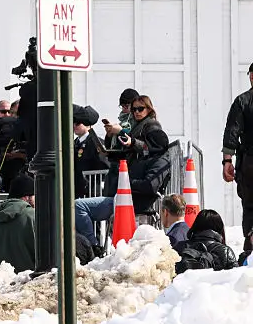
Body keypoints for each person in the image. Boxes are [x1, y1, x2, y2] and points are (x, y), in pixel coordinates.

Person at [75, 121, 171, 249]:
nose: (144, 146)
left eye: (147, 143)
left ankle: (92, 247)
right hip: (122, 199)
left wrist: (127, 183)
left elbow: (150, 185)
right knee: (77, 206)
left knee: (78, 206)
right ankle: (93, 245)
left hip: (130, 201)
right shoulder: (148, 158)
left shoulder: (159, 161)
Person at [223, 62, 253, 256]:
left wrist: (227, 161)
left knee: (250, 204)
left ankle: (250, 244)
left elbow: (232, 131)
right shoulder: (242, 101)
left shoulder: (243, 101)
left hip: (250, 162)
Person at [175, 209, 237, 274]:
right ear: (220, 228)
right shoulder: (226, 251)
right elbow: (236, 278)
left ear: (195, 225)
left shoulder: (180, 247)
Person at [72, 104, 108, 197]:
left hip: (92, 190)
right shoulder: (75, 143)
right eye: (73, 122)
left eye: (78, 123)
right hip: (78, 190)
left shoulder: (95, 142)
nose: (74, 126)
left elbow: (104, 164)